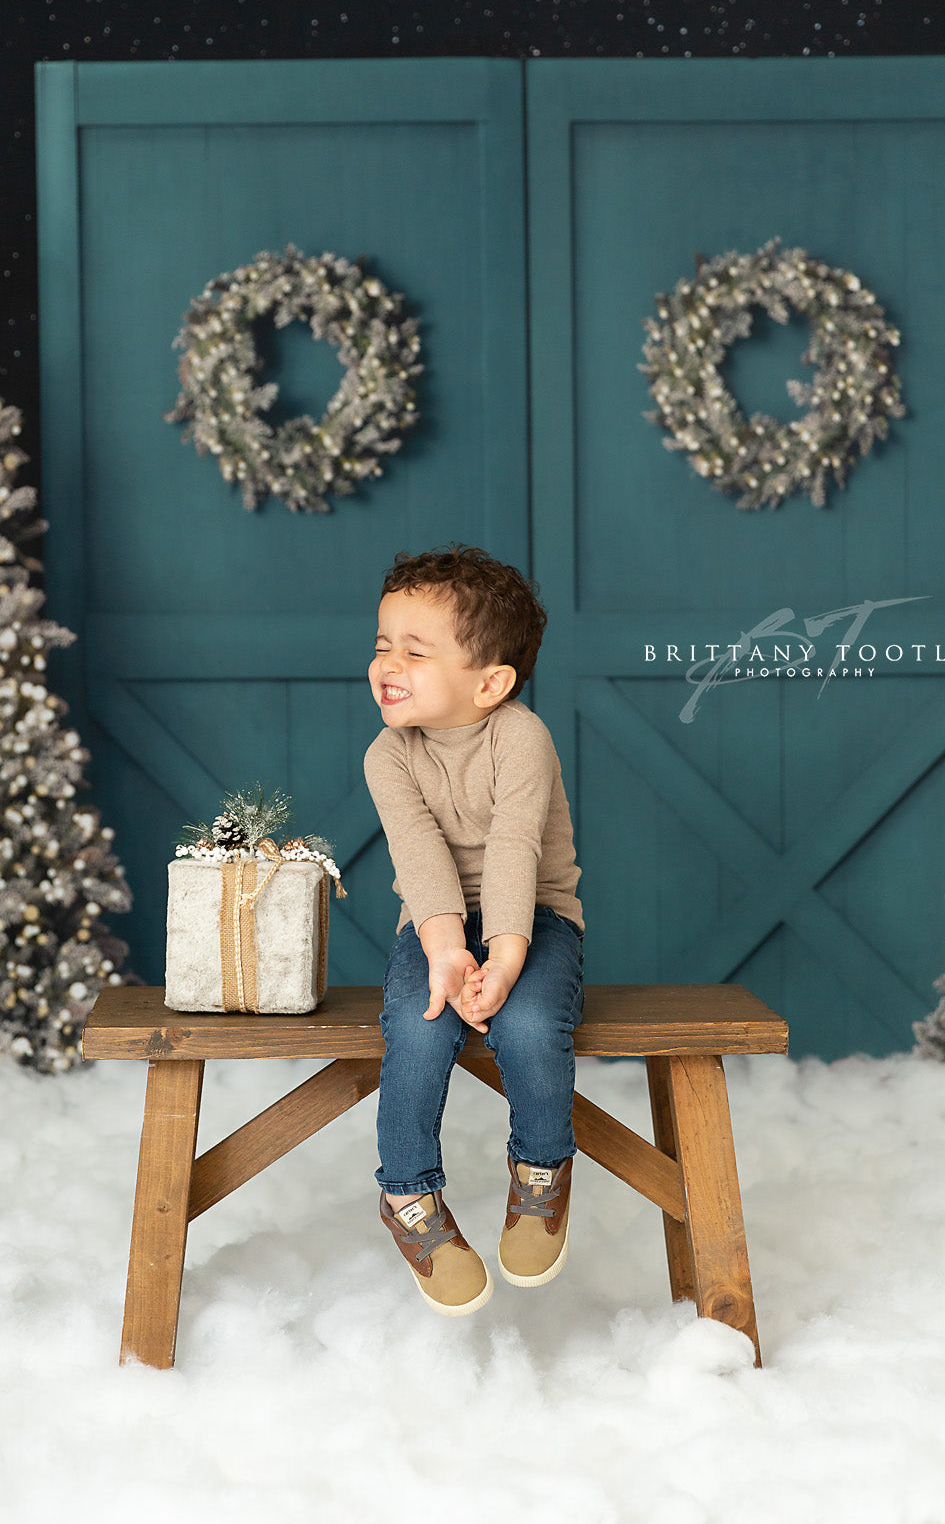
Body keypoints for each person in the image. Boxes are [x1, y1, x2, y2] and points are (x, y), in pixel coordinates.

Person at [364, 544, 585, 1316]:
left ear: (490, 683)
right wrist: (447, 951)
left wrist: (507, 954)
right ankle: (408, 1195)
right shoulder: (387, 757)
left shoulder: (521, 738)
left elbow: (515, 849)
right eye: (383, 644)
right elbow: (421, 859)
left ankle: (542, 1171)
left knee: (525, 1027)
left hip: (536, 917)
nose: (388, 661)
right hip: (436, 926)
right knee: (420, 1030)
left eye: (415, 651)